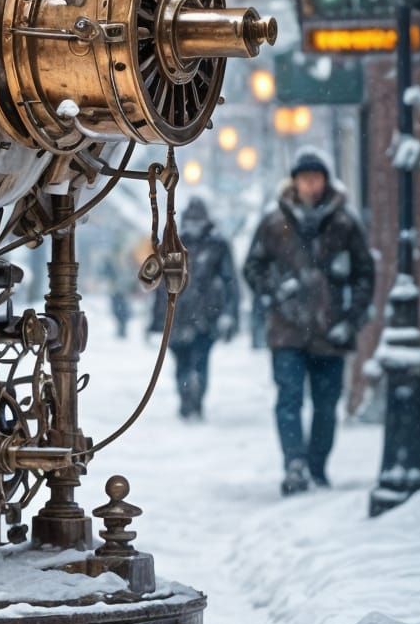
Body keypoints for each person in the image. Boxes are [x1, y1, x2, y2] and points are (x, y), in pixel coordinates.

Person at [242, 147, 374, 496]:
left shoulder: (345, 223)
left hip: (331, 331)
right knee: (289, 399)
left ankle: (317, 466)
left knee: (326, 404)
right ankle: (295, 465)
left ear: (326, 182)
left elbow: (365, 274)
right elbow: (252, 267)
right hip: (286, 330)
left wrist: (352, 317)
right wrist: (273, 294)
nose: (310, 186)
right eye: (304, 179)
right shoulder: (274, 223)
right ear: (295, 182)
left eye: (316, 179)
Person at [149, 195, 239, 420]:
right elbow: (163, 285)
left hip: (207, 315)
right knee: (181, 361)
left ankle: (196, 400)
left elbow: (230, 282)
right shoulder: (173, 243)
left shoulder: (218, 244)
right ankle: (186, 398)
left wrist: (229, 313)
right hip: (178, 315)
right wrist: (157, 320)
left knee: (200, 359)